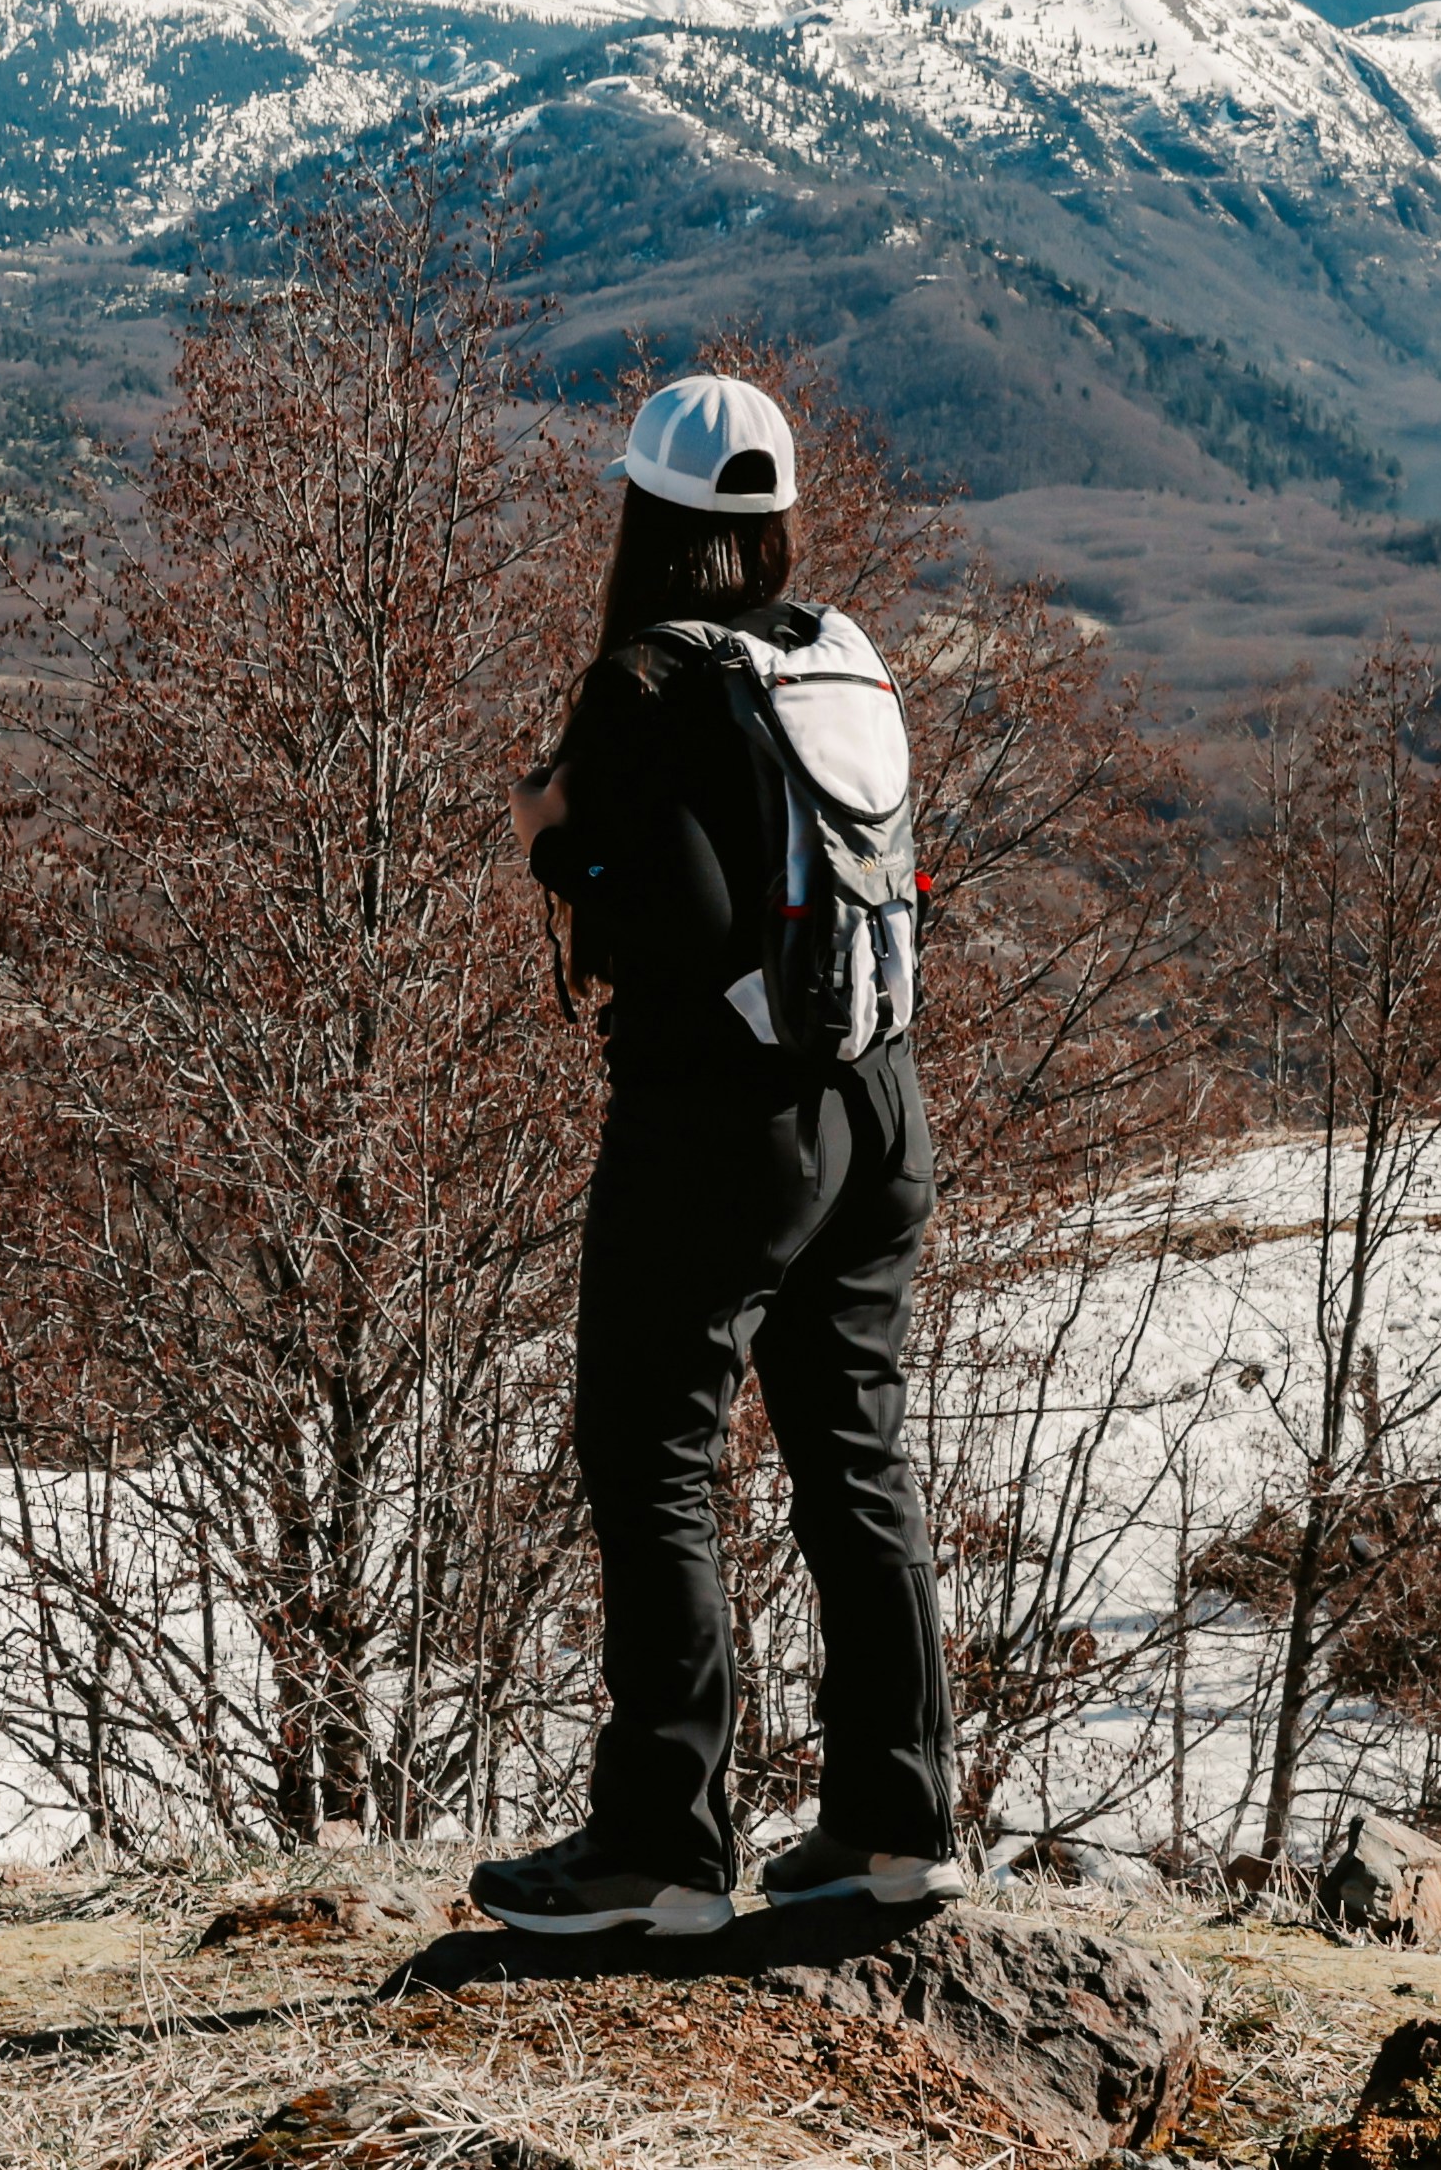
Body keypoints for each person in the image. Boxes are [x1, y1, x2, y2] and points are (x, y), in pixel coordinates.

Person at [467, 370, 958, 1938]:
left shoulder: (649, 683)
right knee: (853, 1460)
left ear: (645, 510)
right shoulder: (840, 654)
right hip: (880, 1108)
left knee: (651, 1448)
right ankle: (895, 1820)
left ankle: (662, 1849)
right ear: (776, 518)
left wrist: (553, 836)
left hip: (728, 1125)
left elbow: (658, 922)